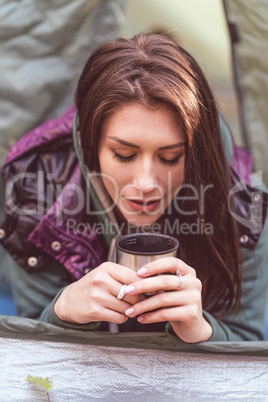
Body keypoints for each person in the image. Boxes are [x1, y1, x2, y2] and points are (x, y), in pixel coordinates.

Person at [0, 32, 267, 343]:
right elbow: (28, 345)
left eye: (171, 157)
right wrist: (62, 310)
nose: (146, 184)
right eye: (123, 154)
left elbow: (248, 341)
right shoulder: (37, 192)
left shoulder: (243, 202)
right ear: (91, 147)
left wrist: (202, 331)